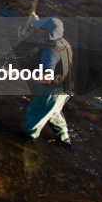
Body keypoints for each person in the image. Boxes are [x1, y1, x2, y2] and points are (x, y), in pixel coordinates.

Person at [21, 13, 74, 150]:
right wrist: (36, 20)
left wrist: (21, 74)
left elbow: (46, 77)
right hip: (67, 87)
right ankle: (65, 141)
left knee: (34, 116)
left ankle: (27, 145)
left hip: (53, 90)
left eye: (40, 28)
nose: (38, 29)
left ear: (46, 31)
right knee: (53, 113)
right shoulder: (63, 42)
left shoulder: (50, 52)